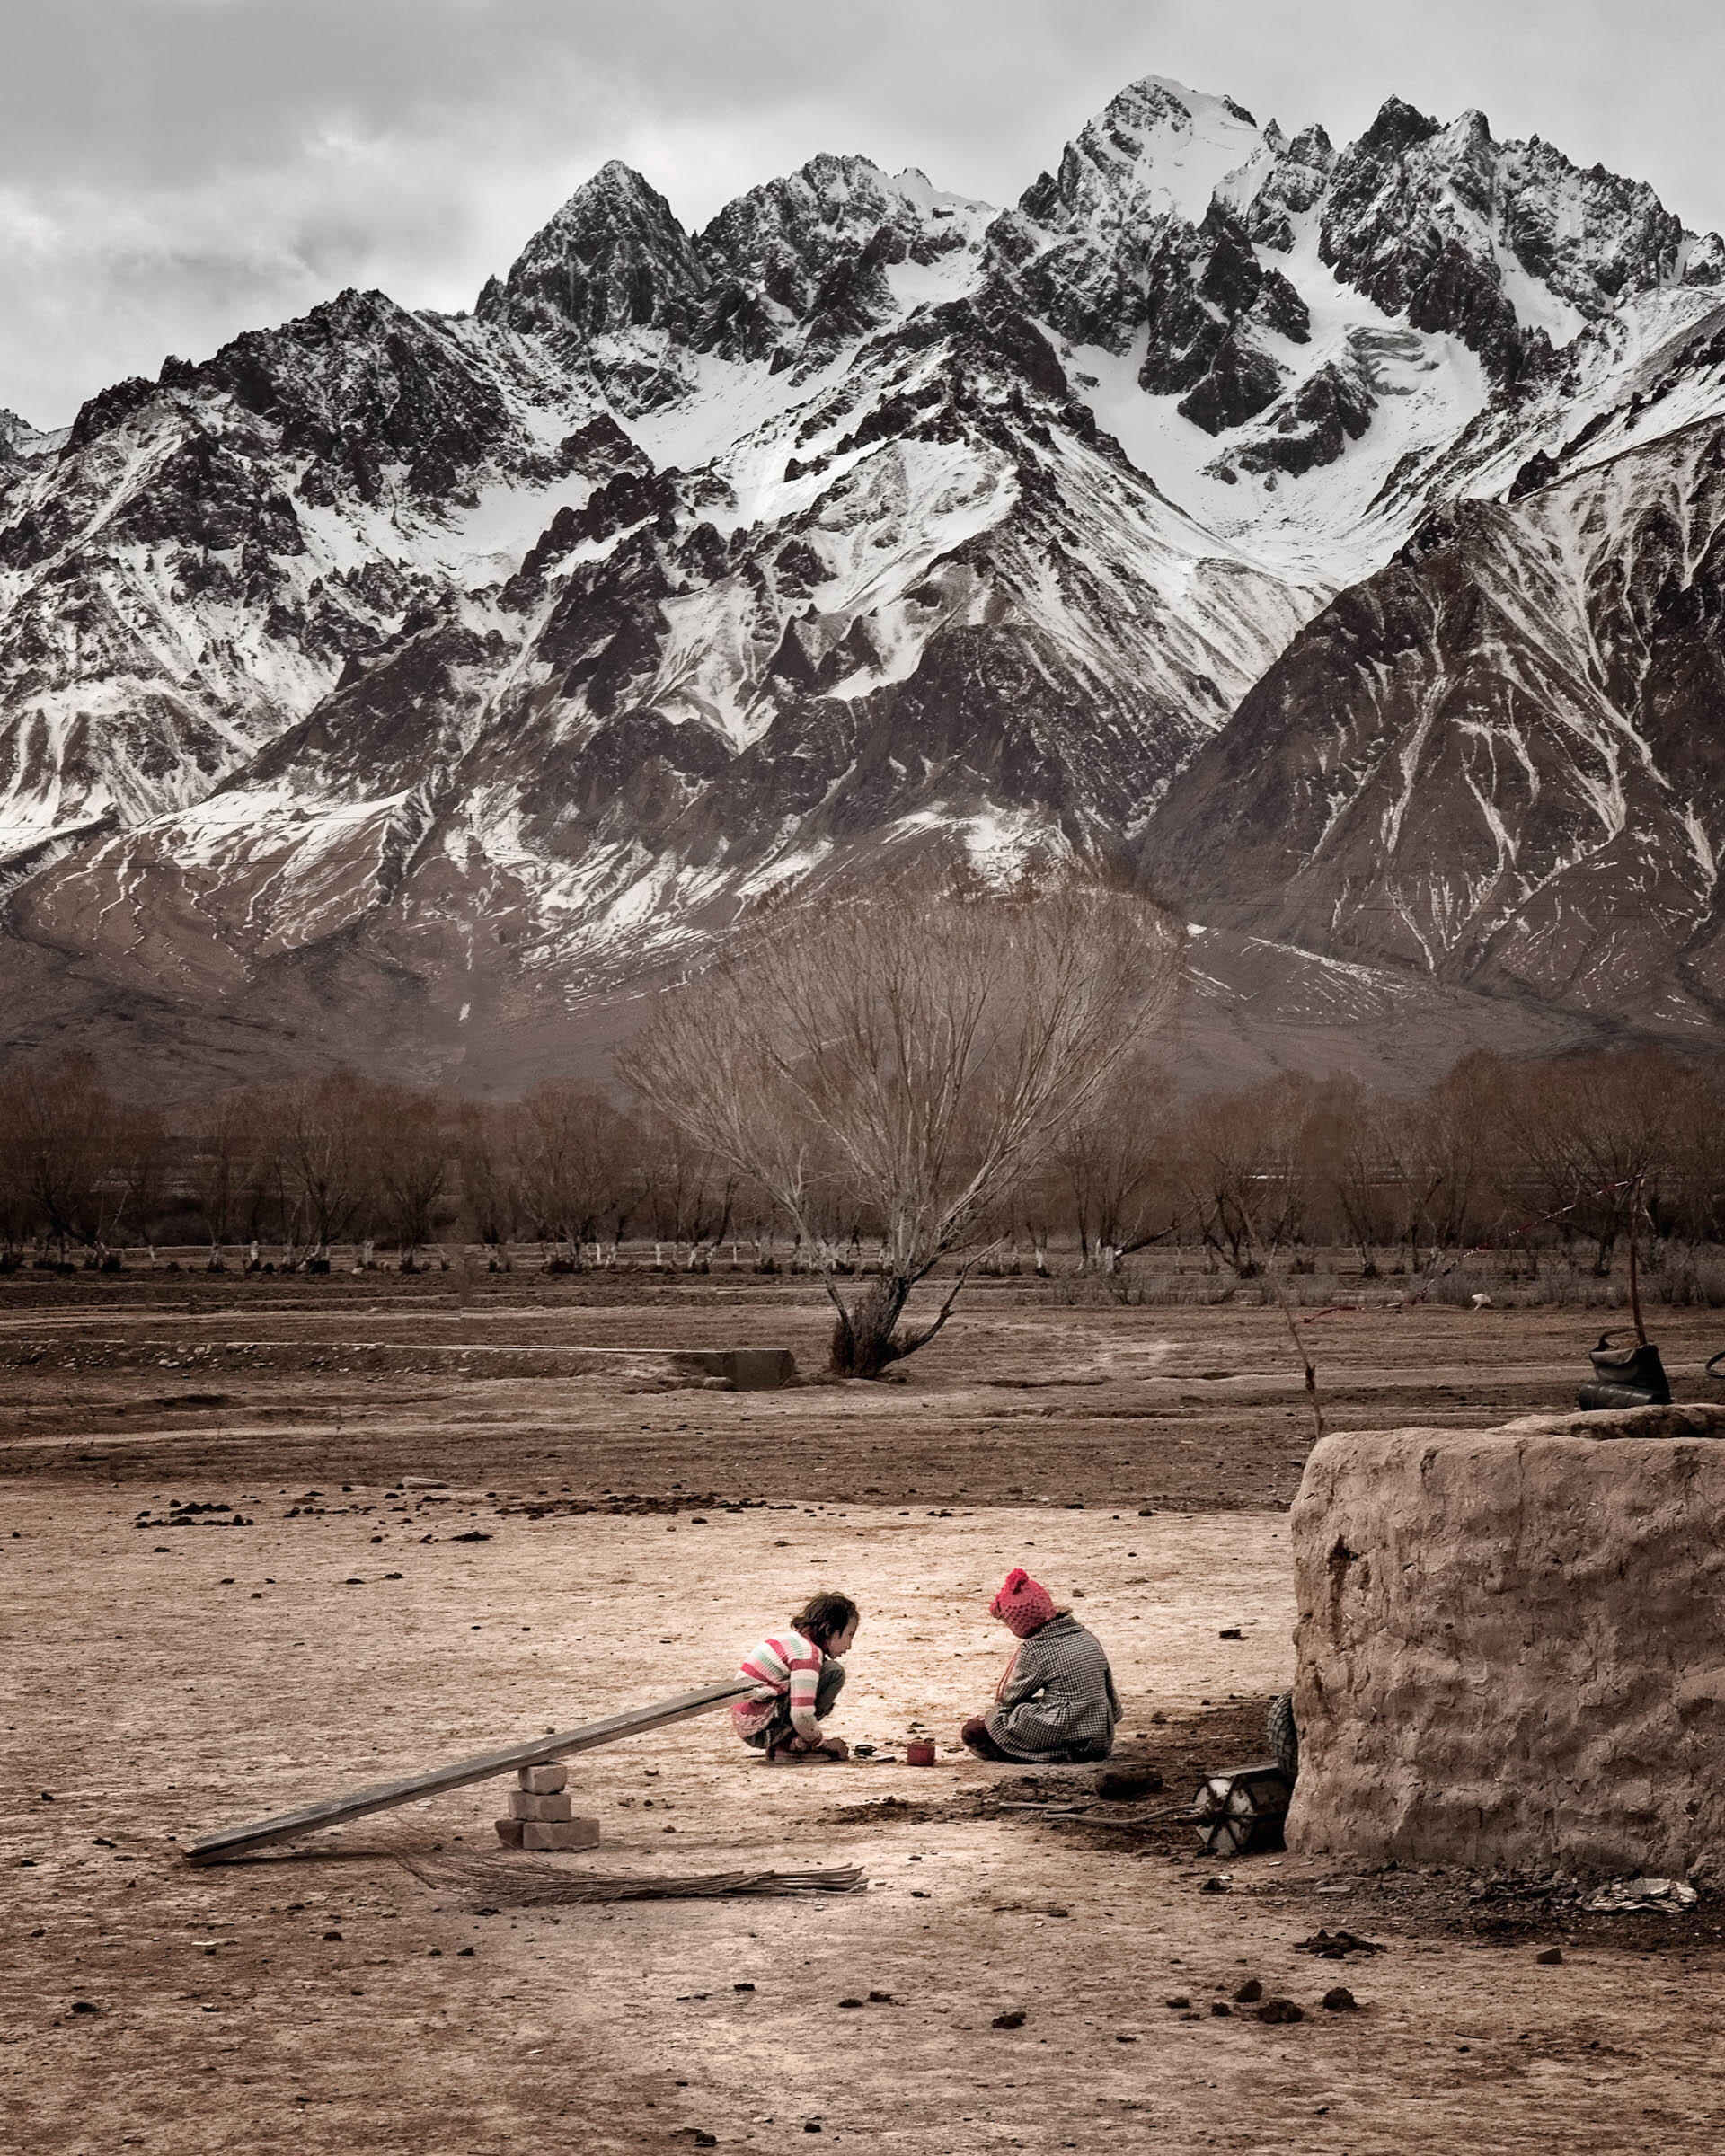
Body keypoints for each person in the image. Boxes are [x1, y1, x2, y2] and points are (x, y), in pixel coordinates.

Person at [960, 1568, 1120, 1763]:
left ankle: (1031, 1752)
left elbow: (1010, 1698)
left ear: (1019, 1623)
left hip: (1067, 1729)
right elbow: (1111, 1698)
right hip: (1100, 1738)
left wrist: (989, 1719)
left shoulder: (1037, 1649)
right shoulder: (1085, 1635)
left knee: (979, 1729)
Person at [733, 1591, 859, 1763]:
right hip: (759, 1726)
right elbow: (801, 1714)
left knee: (825, 1670)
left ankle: (783, 1745)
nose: (849, 1646)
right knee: (833, 1673)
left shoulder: (793, 1641)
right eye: (849, 1635)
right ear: (829, 1629)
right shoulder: (807, 1654)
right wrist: (821, 1744)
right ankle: (790, 1747)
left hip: (751, 1721)